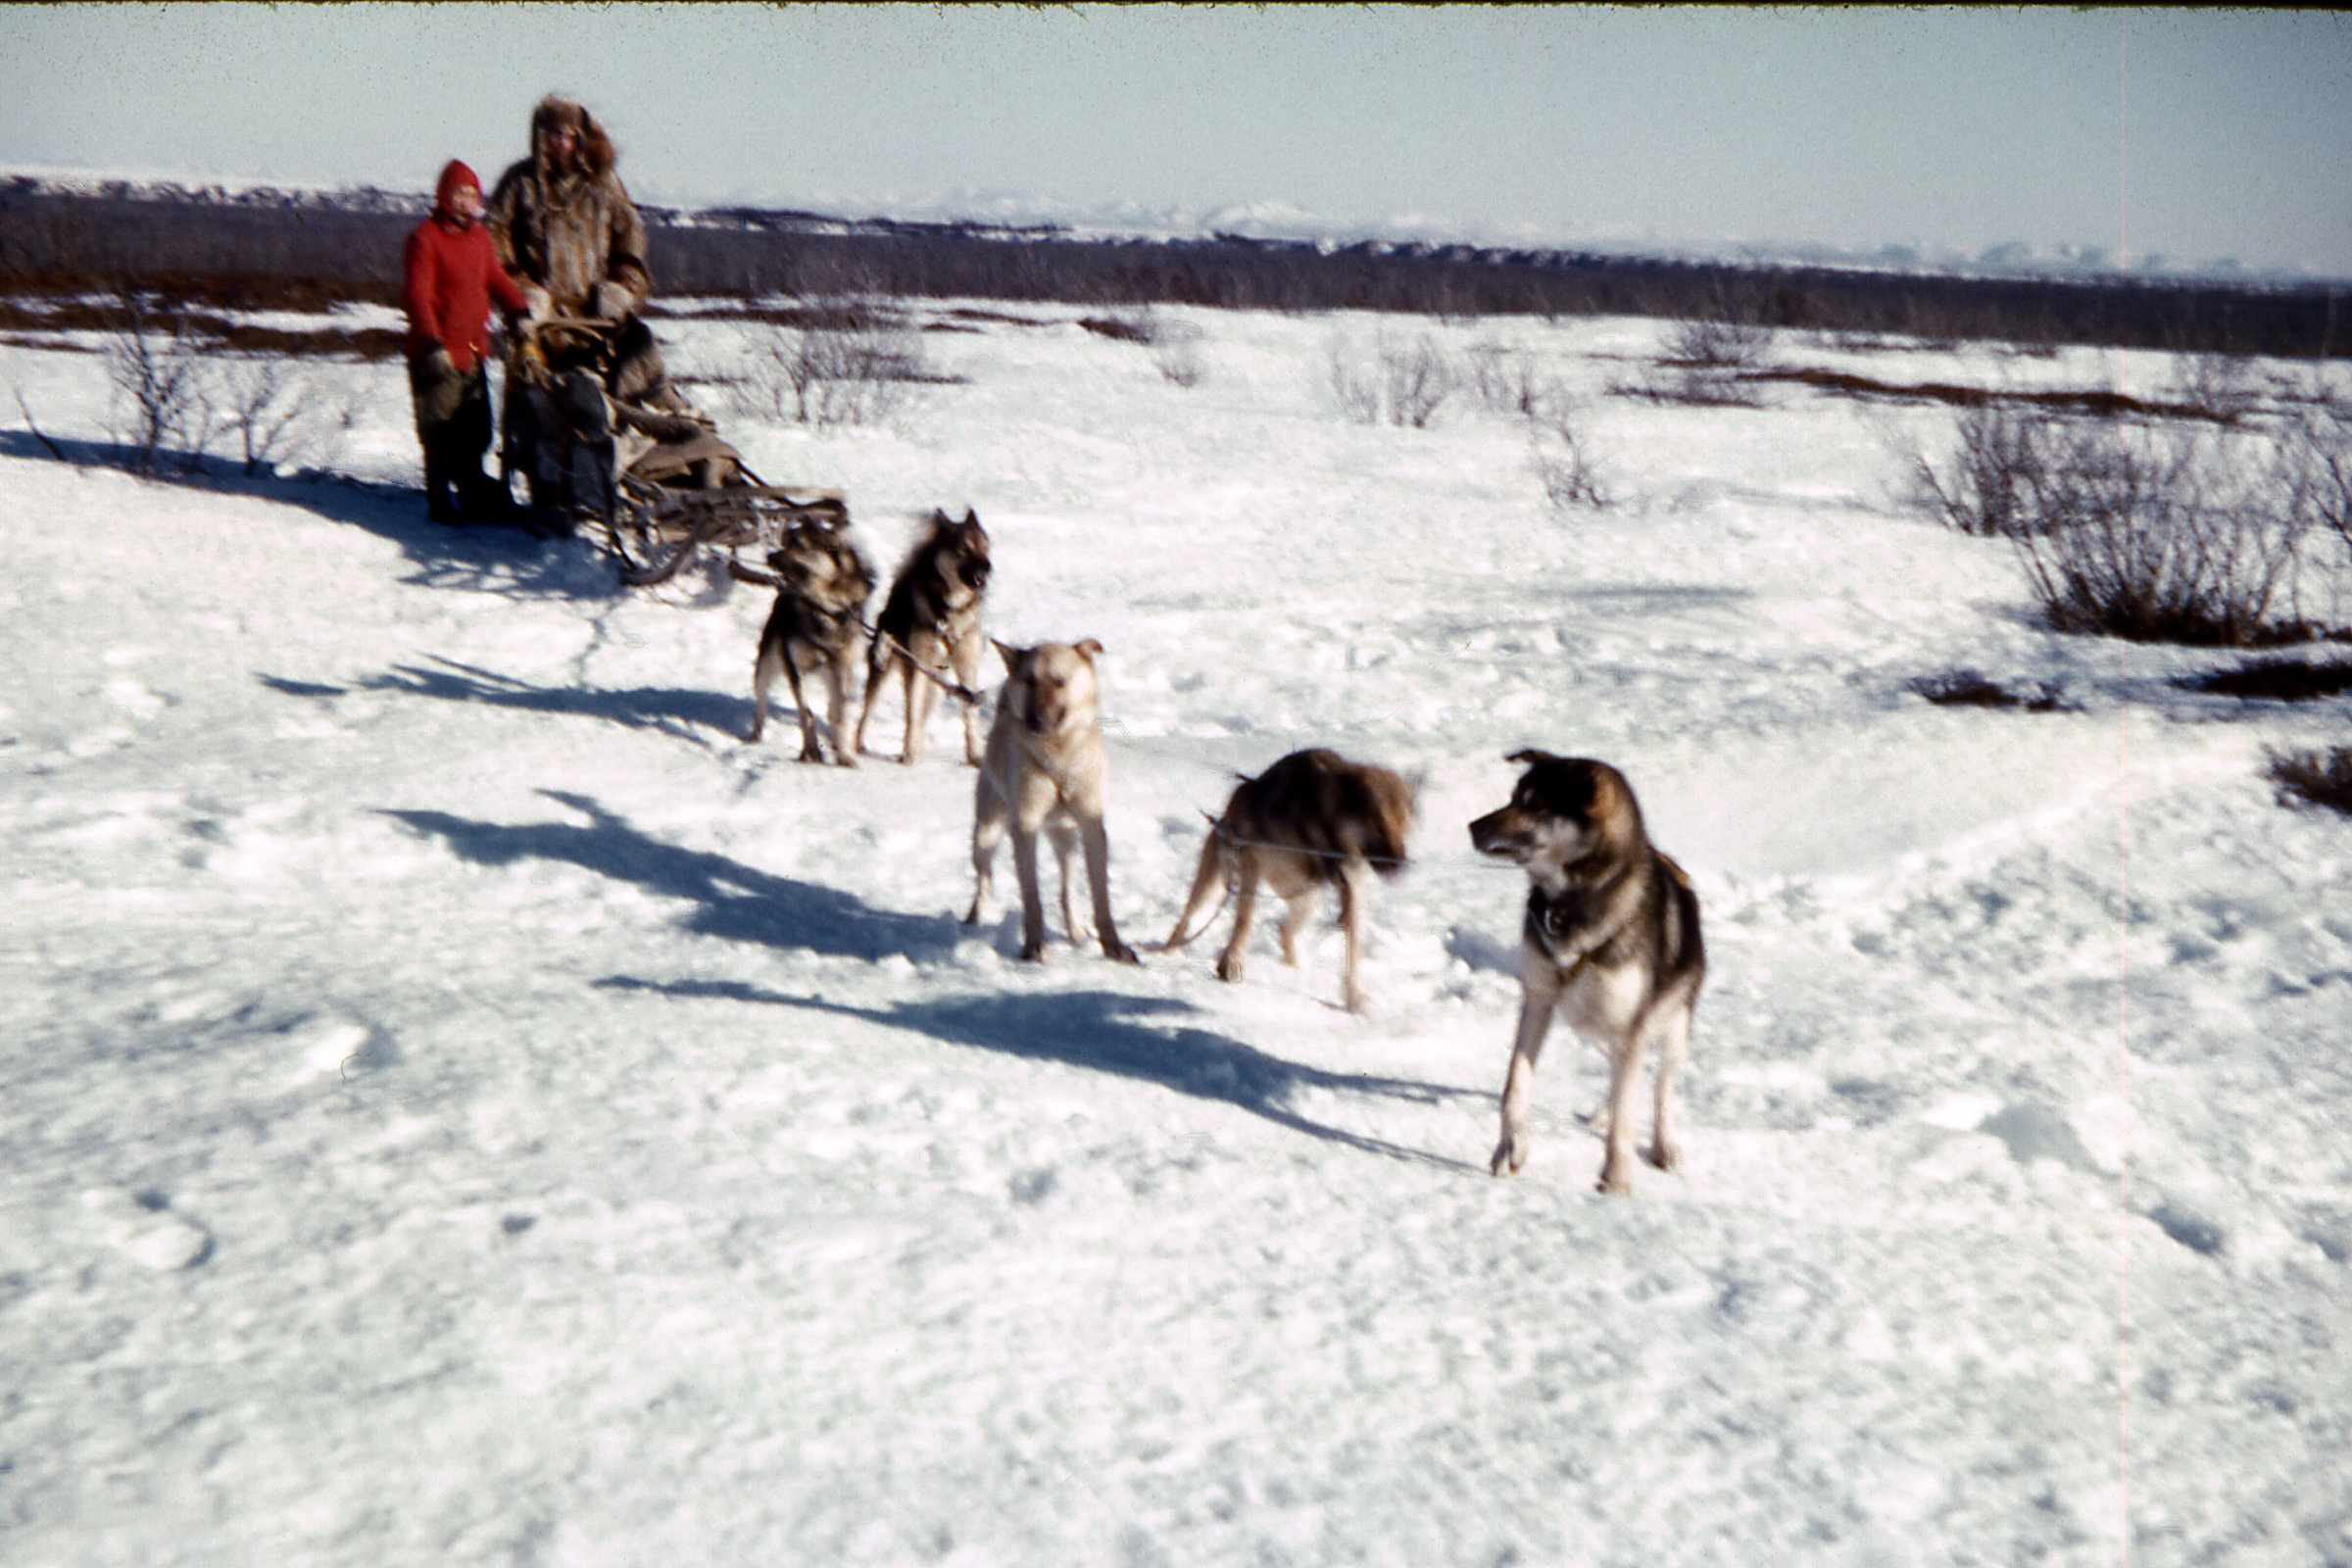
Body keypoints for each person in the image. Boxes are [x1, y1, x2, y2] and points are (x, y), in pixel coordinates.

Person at [487, 97, 689, 528]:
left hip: (597, 317)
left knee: (631, 370)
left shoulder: (601, 182)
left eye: (569, 135)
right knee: (544, 400)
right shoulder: (520, 183)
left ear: (580, 139)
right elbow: (494, 235)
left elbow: (630, 232)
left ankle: (659, 449)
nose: (561, 143)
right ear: (540, 137)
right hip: (543, 320)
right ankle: (550, 489)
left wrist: (624, 283)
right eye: (554, 135)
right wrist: (519, 290)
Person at [401, 160, 529, 525]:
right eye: (459, 193)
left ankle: (473, 498)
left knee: (475, 429)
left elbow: (497, 279)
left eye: (472, 194)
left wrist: (520, 311)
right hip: (438, 354)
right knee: (439, 431)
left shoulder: (480, 238)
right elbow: (417, 295)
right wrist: (431, 342)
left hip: (474, 351)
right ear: (444, 196)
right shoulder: (425, 238)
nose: (466, 201)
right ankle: (441, 504)